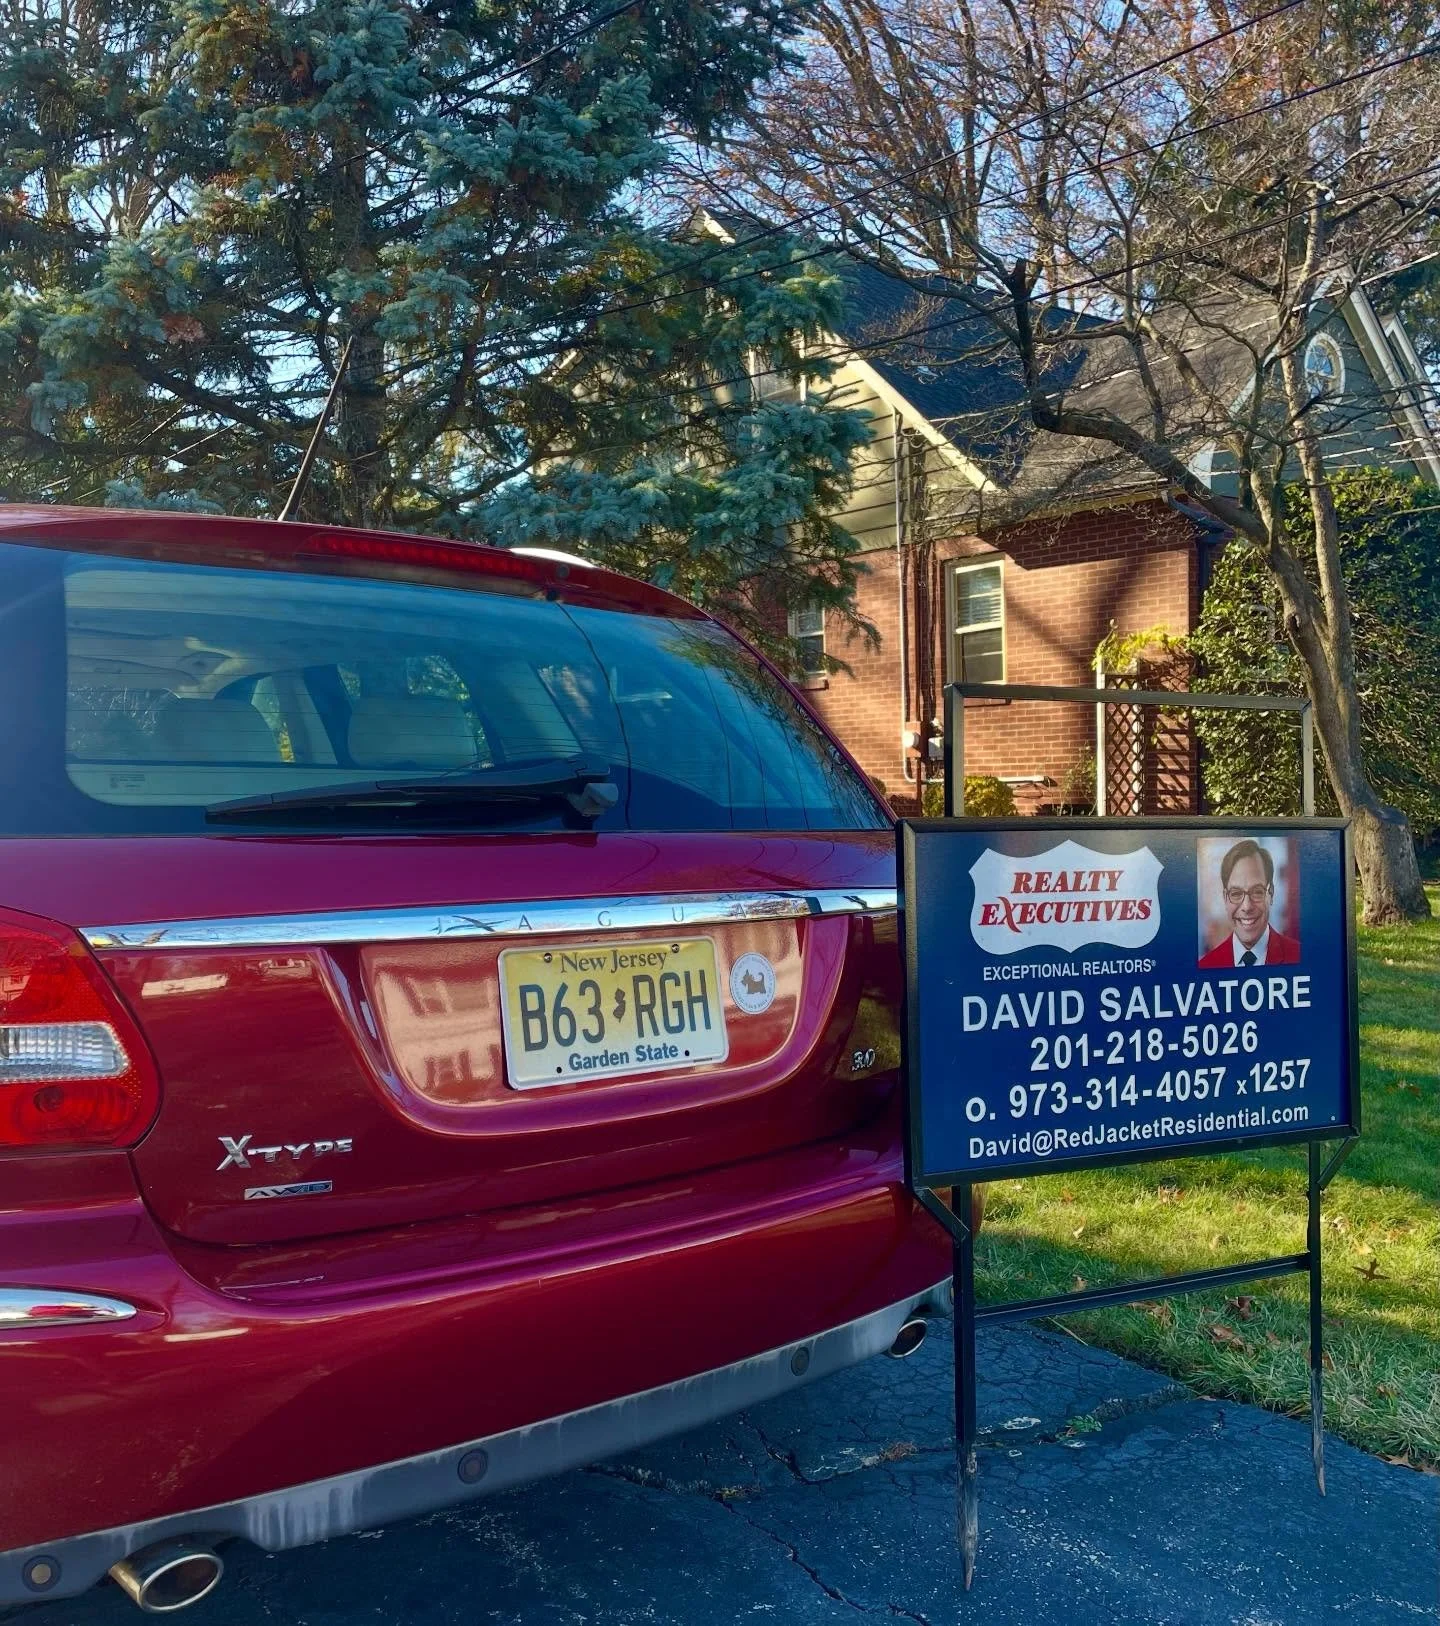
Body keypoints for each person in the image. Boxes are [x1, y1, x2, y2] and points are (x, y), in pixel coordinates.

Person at [1198, 839, 1300, 967]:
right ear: (1225, 898)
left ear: (1271, 893)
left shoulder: (1299, 957)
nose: (1247, 906)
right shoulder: (1206, 965)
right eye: (1236, 894)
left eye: (1257, 892)